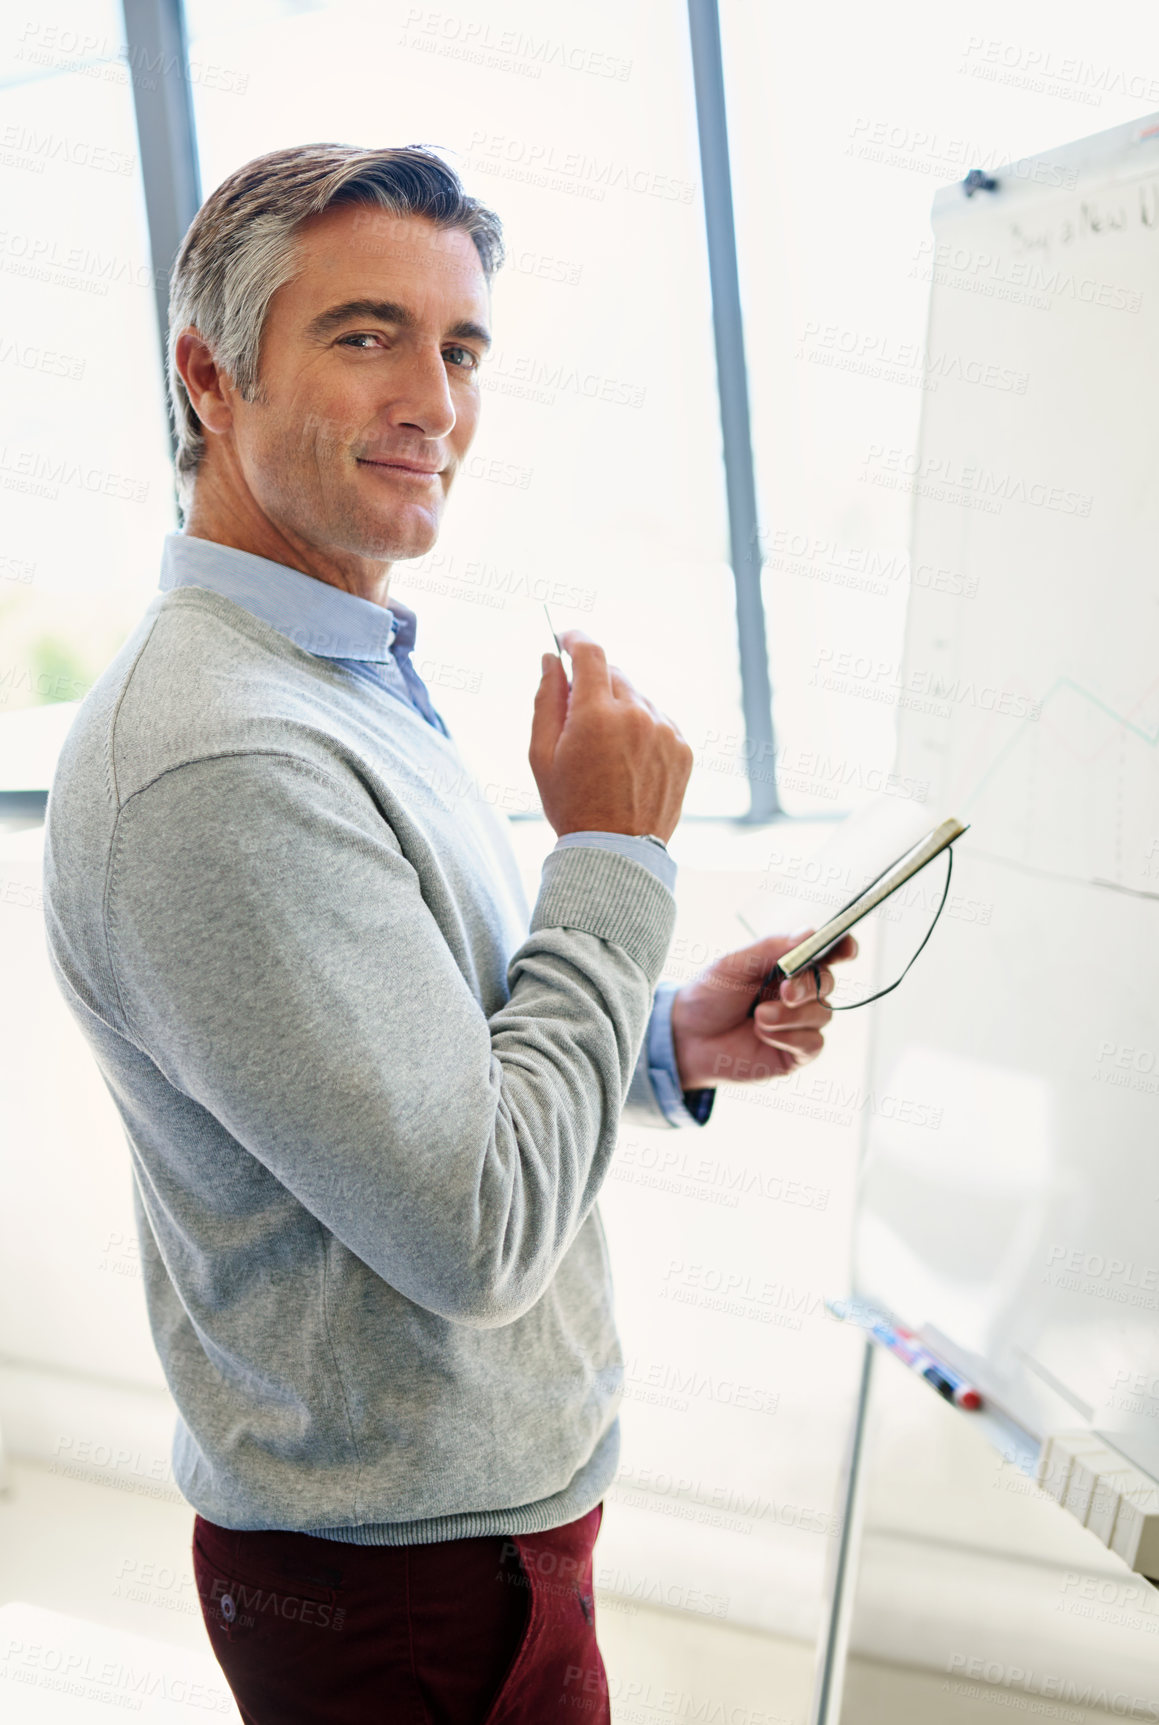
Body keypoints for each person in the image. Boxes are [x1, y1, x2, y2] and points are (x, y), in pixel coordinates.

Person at [41, 144, 854, 1724]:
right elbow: (475, 1224)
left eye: (460, 345)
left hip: (462, 1550)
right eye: (365, 335)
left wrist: (658, 1026)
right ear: (211, 375)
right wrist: (611, 857)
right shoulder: (225, 756)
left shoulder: (329, 674)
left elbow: (431, 1059)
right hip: (407, 1596)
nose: (435, 401)